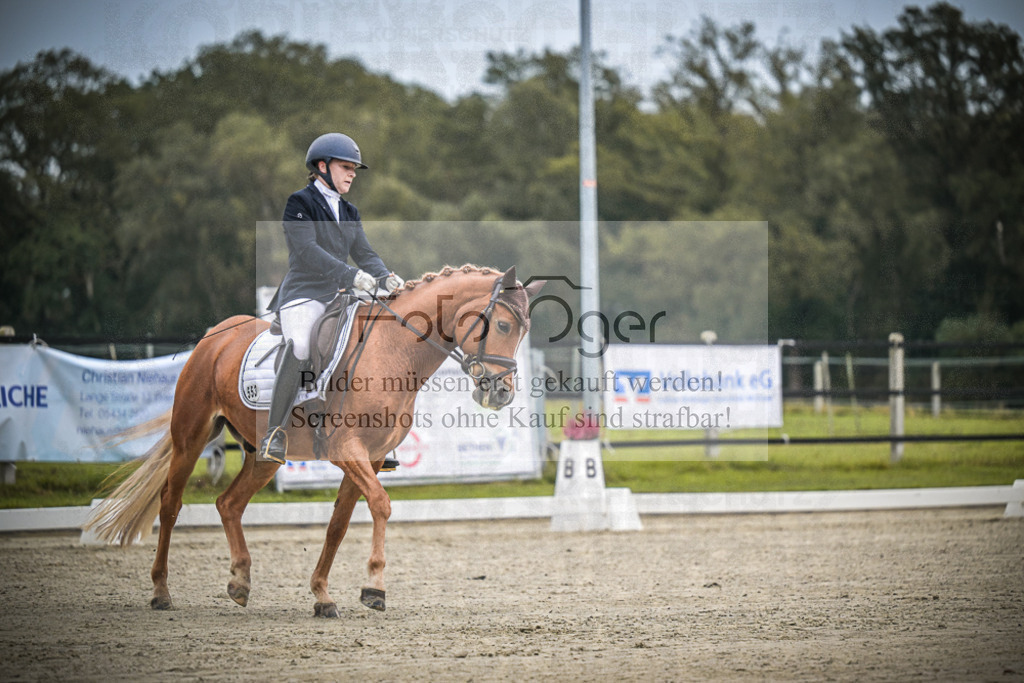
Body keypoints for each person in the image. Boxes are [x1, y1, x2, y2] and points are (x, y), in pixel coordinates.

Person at [259, 132, 404, 464]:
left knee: (370, 341)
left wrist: (386, 276)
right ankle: (274, 433)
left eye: (354, 168)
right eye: (345, 167)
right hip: (303, 293)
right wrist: (350, 276)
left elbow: (365, 253)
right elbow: (306, 251)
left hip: (339, 296)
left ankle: (376, 436)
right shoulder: (300, 202)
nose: (352, 174)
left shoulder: (349, 210)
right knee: (299, 345)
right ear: (321, 166)